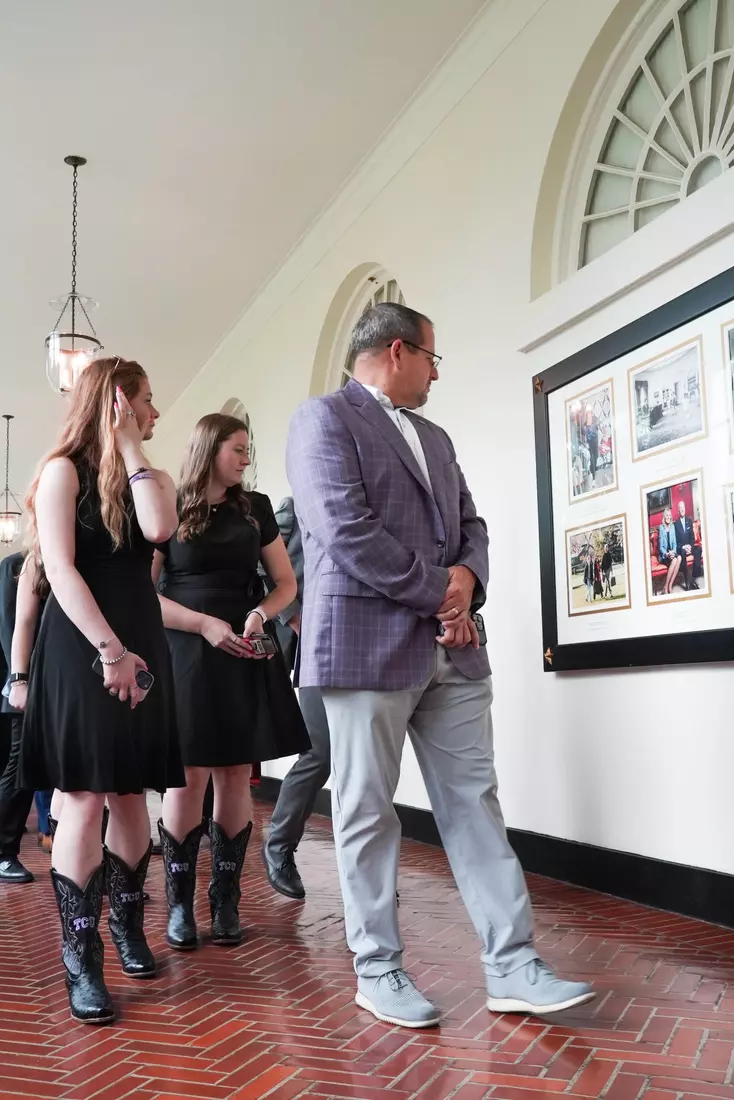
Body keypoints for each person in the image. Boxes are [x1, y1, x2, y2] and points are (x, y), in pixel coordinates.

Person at [286, 302, 594, 1029]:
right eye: (432, 357)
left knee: (475, 803)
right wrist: (440, 591)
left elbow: (473, 525)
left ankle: (513, 965)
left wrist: (467, 585)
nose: (434, 371)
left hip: (453, 650)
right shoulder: (322, 420)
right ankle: (378, 969)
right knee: (366, 811)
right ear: (398, 351)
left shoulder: (436, 436)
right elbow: (342, 528)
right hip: (366, 645)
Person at [19, 357, 183, 1025]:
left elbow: (159, 530)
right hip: (84, 643)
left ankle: (126, 924)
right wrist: (110, 651)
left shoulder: (151, 473)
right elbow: (57, 566)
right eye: (145, 401)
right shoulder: (61, 472)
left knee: (133, 790)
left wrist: (131, 447)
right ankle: (79, 955)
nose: (155, 411)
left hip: (141, 637)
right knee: (85, 796)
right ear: (115, 400)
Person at [154, 414, 310, 951]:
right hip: (186, 649)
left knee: (236, 773)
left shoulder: (257, 508)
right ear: (209, 449)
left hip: (243, 648)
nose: (246, 459)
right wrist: (201, 624)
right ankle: (180, 905)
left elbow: (285, 584)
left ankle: (225, 901)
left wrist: (260, 615)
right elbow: (142, 593)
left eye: (249, 450)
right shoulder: (167, 505)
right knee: (189, 775)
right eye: (238, 449)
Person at [261, 497, 331, 901]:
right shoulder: (297, 505)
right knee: (319, 752)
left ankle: (371, 873)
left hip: (367, 641)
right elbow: (262, 566)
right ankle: (280, 847)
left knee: (370, 761)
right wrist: (293, 615)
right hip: (316, 644)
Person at [0, 552, 51, 882]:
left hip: (67, 679)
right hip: (27, 683)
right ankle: (3, 852)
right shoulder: (16, 564)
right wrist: (21, 680)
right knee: (20, 769)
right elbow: (11, 626)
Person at [674, 499, 702, 591]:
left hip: (689, 546)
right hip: (682, 548)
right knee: (681, 552)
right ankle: (687, 581)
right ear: (678, 510)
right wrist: (683, 547)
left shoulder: (689, 521)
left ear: (685, 509)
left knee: (698, 549)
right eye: (680, 508)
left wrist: (690, 546)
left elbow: (692, 538)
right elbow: (676, 541)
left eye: (683, 507)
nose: (682, 510)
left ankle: (693, 577)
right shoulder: (675, 524)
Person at [657, 508, 680, 595]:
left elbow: (674, 543)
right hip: (665, 555)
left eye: (670, 515)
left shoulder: (672, 526)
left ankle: (670, 584)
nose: (668, 517)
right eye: (667, 515)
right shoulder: (661, 527)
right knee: (674, 560)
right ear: (664, 516)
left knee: (680, 558)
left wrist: (673, 552)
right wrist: (667, 554)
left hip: (671, 552)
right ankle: (665, 586)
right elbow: (661, 547)